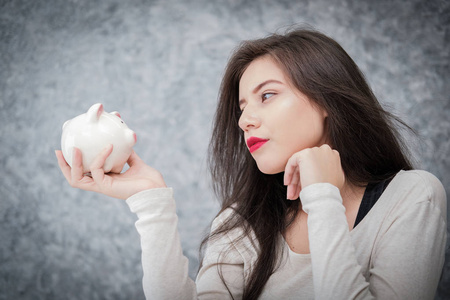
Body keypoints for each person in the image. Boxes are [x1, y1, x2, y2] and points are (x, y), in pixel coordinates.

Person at [55, 27, 447, 299]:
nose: (244, 120)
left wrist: (323, 196)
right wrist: (151, 202)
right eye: (242, 107)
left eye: (268, 96)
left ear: (327, 99)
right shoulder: (240, 222)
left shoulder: (412, 197)